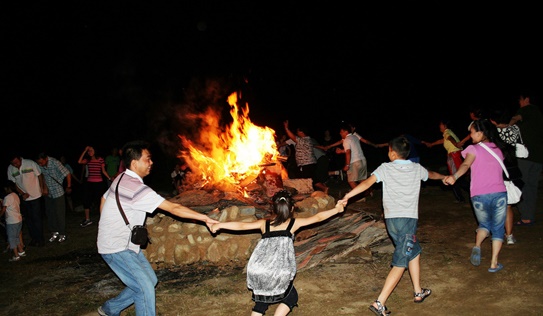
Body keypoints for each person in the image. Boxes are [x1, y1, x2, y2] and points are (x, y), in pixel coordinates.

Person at [97, 140, 219, 316]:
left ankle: (110, 309)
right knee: (144, 288)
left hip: (126, 245)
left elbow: (104, 198)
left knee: (150, 281)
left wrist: (106, 225)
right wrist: (204, 218)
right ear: (134, 162)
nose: (151, 163)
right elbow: (173, 208)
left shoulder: (121, 178)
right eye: (147, 159)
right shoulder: (136, 188)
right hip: (117, 247)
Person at [338, 136, 447, 315]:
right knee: (400, 262)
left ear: (393, 153)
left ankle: (418, 291)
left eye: (389, 150)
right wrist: (444, 177)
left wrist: (348, 196)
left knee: (414, 252)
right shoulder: (416, 168)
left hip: (392, 221)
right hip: (407, 221)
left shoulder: (385, 168)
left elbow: (366, 183)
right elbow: (432, 174)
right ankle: (379, 303)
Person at [210, 189, 344, 316]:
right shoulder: (294, 223)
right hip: (279, 270)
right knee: (291, 297)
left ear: (273, 208)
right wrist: (336, 209)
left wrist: (220, 224)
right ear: (291, 208)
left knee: (261, 302)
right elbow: (319, 217)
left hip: (258, 268)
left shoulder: (264, 224)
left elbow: (241, 225)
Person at [444, 119, 509, 273]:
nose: (470, 135)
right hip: (499, 193)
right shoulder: (498, 150)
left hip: (479, 195)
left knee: (484, 225)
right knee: (498, 228)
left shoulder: (473, 149)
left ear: (480, 133)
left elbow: (465, 165)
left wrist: (454, 176)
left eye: (472, 132)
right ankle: (493, 263)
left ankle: (477, 246)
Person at [501, 92, 543, 226]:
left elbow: (516, 118)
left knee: (520, 185)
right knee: (532, 186)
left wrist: (508, 125)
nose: (519, 103)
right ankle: (529, 216)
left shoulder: (526, 109)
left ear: (526, 99)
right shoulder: (538, 113)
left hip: (525, 156)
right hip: (538, 157)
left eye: (520, 100)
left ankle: (526, 216)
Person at [490, 108, 523, 245]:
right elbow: (520, 147)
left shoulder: (492, 132)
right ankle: (509, 236)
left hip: (496, 169)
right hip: (512, 168)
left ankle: (496, 234)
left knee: (494, 204)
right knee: (508, 205)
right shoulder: (515, 128)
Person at [422, 119, 469, 203]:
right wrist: (431, 144)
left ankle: (461, 198)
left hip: (454, 156)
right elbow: (442, 140)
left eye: (440, 124)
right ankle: (467, 193)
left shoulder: (447, 133)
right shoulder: (448, 133)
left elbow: (450, 139)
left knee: (454, 176)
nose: (439, 126)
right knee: (458, 176)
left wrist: (456, 144)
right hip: (457, 155)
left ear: (444, 126)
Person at [7, 154, 46, 247]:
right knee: (28, 219)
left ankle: (40, 240)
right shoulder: (10, 168)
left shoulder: (30, 163)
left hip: (36, 195)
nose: (15, 165)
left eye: (16, 162)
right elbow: (13, 183)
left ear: (20, 158)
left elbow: (40, 175)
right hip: (24, 197)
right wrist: (22, 193)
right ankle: (34, 238)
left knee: (36, 218)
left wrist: (42, 188)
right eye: (13, 163)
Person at [35, 152, 72, 243]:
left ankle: (62, 233)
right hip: (48, 193)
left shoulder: (55, 163)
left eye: (41, 162)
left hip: (58, 192)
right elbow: (42, 176)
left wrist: (69, 186)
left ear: (46, 159)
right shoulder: (40, 164)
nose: (40, 164)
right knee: (50, 213)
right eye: (39, 163)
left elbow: (67, 173)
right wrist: (44, 188)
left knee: (59, 213)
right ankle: (54, 232)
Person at [334, 122, 371, 199]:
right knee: (362, 180)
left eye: (341, 131)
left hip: (354, 162)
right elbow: (353, 149)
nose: (340, 133)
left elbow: (348, 152)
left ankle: (360, 197)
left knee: (351, 181)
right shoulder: (355, 137)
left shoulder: (346, 140)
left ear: (346, 131)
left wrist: (347, 165)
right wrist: (341, 151)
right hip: (362, 160)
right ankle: (368, 192)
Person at [78, 146, 110, 227]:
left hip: (99, 183)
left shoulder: (100, 159)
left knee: (100, 202)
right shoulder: (87, 160)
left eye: (91, 150)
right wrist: (85, 150)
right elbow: (79, 161)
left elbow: (103, 171)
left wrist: (109, 178)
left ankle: (103, 219)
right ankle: (87, 219)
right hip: (89, 183)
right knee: (86, 200)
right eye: (88, 151)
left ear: (95, 151)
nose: (89, 152)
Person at [1, 181, 26, 262]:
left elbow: (4, 209)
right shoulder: (16, 195)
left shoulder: (7, 197)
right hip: (18, 219)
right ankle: (21, 251)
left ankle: (16, 255)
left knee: (12, 238)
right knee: (16, 236)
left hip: (12, 221)